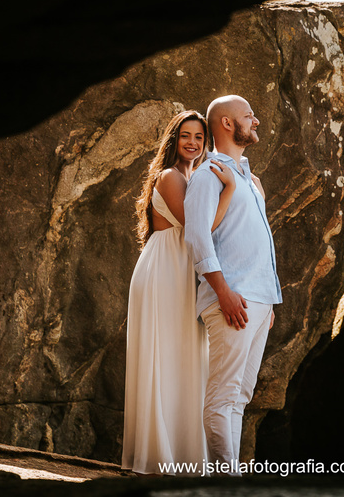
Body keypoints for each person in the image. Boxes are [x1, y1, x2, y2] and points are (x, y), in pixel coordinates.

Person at [122, 109, 236, 474]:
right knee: (167, 357)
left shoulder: (195, 176)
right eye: (185, 135)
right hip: (164, 273)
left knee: (188, 358)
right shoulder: (171, 177)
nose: (192, 142)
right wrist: (230, 190)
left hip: (183, 272)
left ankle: (186, 455)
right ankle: (160, 456)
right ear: (174, 141)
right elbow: (199, 228)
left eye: (199, 137)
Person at [183, 95, 283, 472]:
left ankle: (227, 477)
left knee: (240, 397)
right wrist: (223, 291)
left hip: (258, 301)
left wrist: (269, 302)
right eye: (248, 116)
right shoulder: (209, 174)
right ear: (226, 124)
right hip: (231, 297)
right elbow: (197, 236)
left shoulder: (249, 179)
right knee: (223, 398)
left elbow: (255, 241)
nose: (255, 121)